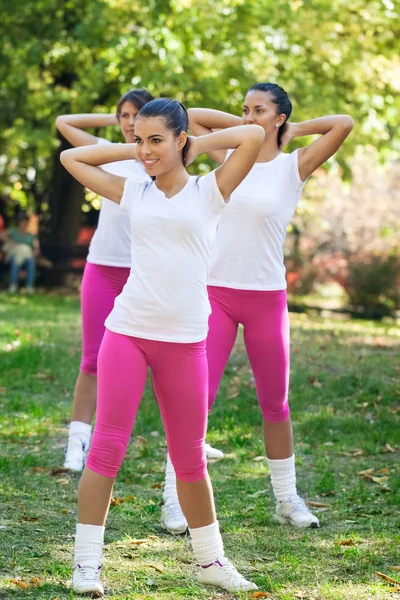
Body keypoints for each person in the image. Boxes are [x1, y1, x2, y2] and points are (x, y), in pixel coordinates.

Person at [60, 98, 265, 596]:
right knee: (107, 448)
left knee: (189, 457)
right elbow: (72, 159)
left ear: (180, 139)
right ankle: (86, 565)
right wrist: (140, 150)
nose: (145, 150)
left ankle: (210, 562)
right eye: (139, 140)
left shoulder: (210, 190)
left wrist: (190, 147)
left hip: (185, 341)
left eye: (157, 139)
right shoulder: (134, 191)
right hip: (128, 332)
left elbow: (253, 138)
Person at [162, 83, 354, 533]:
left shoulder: (294, 166)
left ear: (281, 117)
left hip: (266, 297)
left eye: (259, 110)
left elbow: (342, 124)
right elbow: (189, 116)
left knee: (275, 402)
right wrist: (248, 126)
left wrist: (287, 133)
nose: (248, 116)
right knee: (195, 400)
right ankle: (173, 498)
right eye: (243, 109)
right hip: (215, 295)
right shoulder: (231, 158)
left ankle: (287, 499)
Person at [56, 89, 154, 471]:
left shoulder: (160, 158)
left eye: (138, 115)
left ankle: (119, 439)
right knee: (93, 359)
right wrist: (113, 123)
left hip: (143, 274)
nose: (130, 122)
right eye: (125, 115)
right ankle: (76, 443)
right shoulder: (108, 151)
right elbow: (65, 125)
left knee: (150, 362)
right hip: (102, 268)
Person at [4, 214, 39, 294]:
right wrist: (12, 242)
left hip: (26, 257)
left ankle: (26, 286)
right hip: (12, 254)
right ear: (19, 223)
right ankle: (17, 285)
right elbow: (1, 235)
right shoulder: (13, 231)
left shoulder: (31, 236)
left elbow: (36, 248)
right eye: (22, 222)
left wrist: (35, 252)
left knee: (30, 260)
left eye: (26, 222)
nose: (24, 224)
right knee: (21, 250)